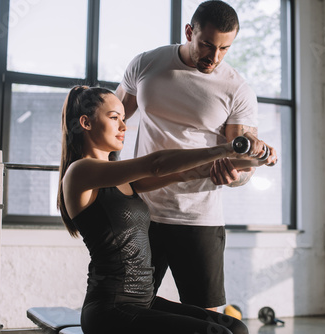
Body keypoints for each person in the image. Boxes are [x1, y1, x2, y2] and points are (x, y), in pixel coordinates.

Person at [57, 86, 275, 333]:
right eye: (114, 117)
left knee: (236, 328)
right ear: (85, 122)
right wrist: (228, 147)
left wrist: (257, 159)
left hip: (144, 301)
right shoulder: (80, 172)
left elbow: (185, 172)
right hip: (110, 309)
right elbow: (157, 164)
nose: (123, 126)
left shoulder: (121, 178)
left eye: (124, 118)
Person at [116, 0, 274, 311]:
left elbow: (242, 161)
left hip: (197, 217)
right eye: (207, 45)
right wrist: (106, 184)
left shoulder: (236, 89)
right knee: (129, 310)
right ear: (190, 32)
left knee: (207, 318)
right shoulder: (146, 64)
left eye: (224, 49)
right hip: (142, 211)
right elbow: (112, 121)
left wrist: (237, 178)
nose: (214, 57)